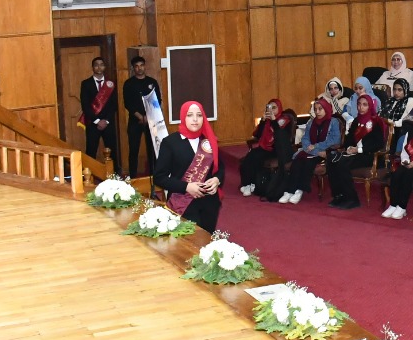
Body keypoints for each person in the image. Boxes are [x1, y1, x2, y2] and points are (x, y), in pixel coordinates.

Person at [153, 99, 223, 232]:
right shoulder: (170, 143)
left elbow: (221, 168)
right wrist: (186, 187)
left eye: (199, 115)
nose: (195, 119)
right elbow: (159, 177)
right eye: (190, 115)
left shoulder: (208, 141)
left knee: (207, 242)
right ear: (183, 117)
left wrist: (217, 180)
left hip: (209, 203)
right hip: (183, 204)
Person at [263, 97, 337, 204]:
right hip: (309, 150)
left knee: (307, 163)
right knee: (297, 162)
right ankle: (290, 190)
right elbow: (305, 138)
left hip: (323, 151)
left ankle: (299, 189)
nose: (317, 112)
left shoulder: (333, 122)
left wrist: (316, 146)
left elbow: (334, 139)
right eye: (315, 109)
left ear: (326, 109)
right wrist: (307, 146)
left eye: (320, 109)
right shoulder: (312, 122)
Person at [327, 95, 386, 209]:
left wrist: (359, 149)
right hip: (354, 154)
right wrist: (348, 147)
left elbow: (378, 143)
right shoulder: (357, 120)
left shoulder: (376, 121)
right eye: (359, 104)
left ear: (370, 106)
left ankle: (352, 199)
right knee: (331, 159)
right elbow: (349, 139)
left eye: (364, 105)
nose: (361, 107)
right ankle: (339, 195)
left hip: (369, 156)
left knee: (342, 163)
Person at [238, 98, 292, 195]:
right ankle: (248, 184)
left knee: (256, 156)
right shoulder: (266, 121)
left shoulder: (285, 121)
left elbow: (281, 137)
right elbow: (258, 135)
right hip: (265, 148)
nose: (271, 110)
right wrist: (263, 121)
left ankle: (252, 184)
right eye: (269, 108)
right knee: (250, 157)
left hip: (277, 149)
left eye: (274, 108)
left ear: (279, 108)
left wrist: (274, 121)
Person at [121, 56, 162, 178]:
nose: (139, 68)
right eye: (136, 66)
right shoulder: (128, 84)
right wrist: (140, 117)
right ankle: (133, 177)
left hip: (151, 120)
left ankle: (154, 175)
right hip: (135, 121)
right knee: (133, 150)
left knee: (152, 149)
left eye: (141, 65)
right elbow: (127, 103)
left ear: (145, 66)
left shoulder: (152, 82)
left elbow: (157, 100)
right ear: (133, 68)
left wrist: (148, 116)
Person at [80, 57, 122, 175]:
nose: (99, 67)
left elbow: (114, 105)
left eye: (101, 64)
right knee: (91, 150)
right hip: (93, 123)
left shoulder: (111, 84)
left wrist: (106, 121)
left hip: (108, 123)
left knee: (112, 150)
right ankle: (89, 175)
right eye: (96, 65)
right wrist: (97, 121)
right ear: (93, 67)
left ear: (104, 67)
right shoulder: (86, 84)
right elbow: (85, 106)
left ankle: (115, 175)